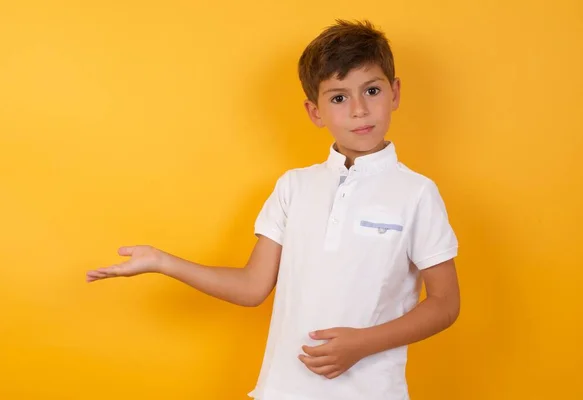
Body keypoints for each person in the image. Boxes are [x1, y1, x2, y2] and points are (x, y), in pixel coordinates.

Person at [86, 19, 460, 400]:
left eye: (372, 90)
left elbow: (445, 303)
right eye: (338, 98)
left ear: (394, 93)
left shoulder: (416, 193)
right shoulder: (293, 187)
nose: (359, 110)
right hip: (281, 391)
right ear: (315, 112)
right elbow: (252, 288)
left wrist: (362, 343)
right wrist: (162, 261)